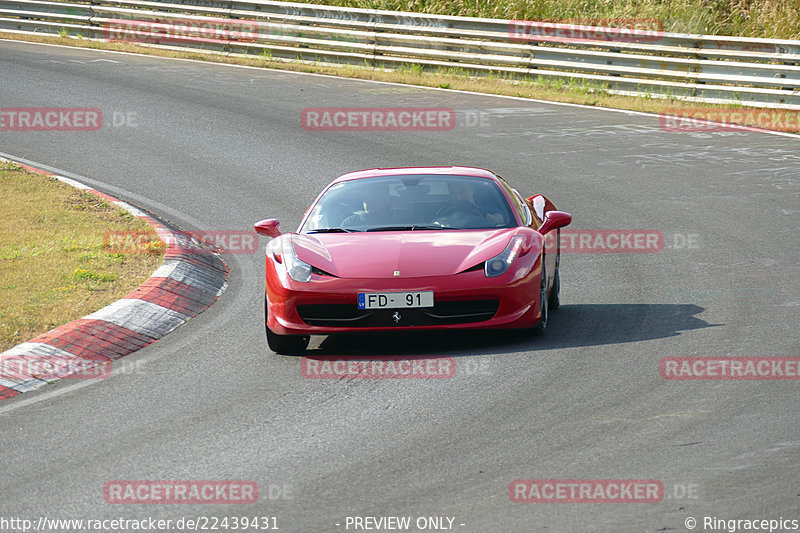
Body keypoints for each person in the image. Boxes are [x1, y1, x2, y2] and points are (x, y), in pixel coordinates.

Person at [435, 180, 505, 226]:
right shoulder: (445, 211)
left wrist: (477, 210)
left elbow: (499, 221)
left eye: (462, 192)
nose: (458, 198)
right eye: (453, 193)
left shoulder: (488, 210)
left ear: (472, 189)